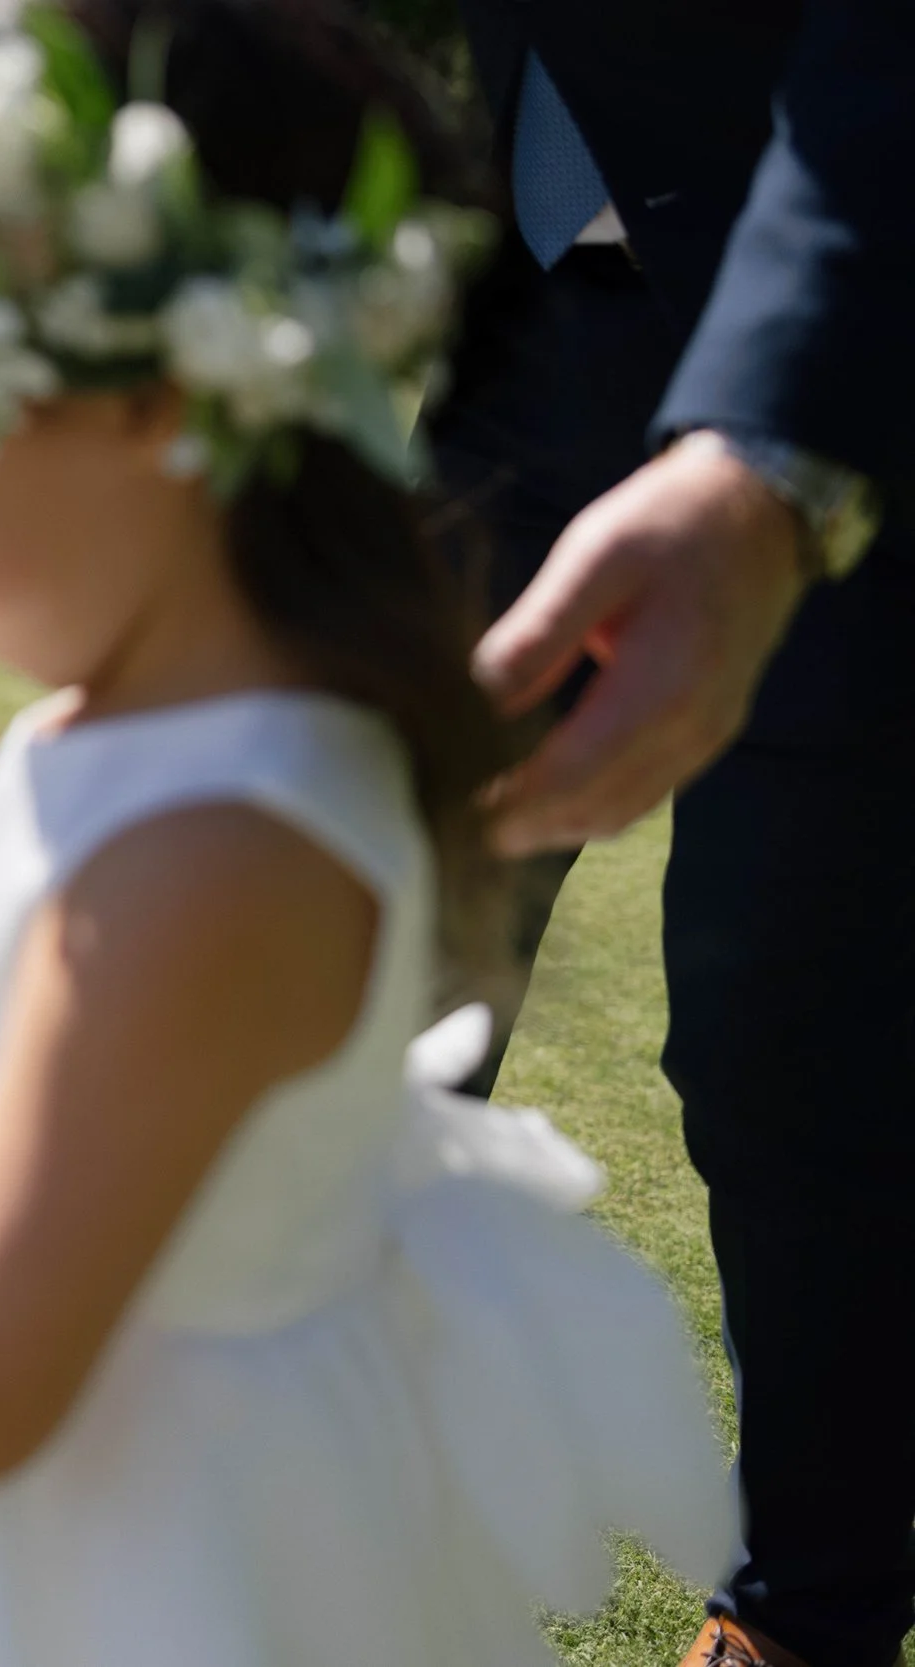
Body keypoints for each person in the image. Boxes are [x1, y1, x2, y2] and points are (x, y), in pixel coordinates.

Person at [0, 2, 732, 1662]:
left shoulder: (239, 840)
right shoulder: (124, 735)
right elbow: (64, 994)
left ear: (151, 404)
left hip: (156, 1542)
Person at [417, 5, 914, 1663]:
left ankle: (810, 1606)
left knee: (787, 1028)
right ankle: (323, 1502)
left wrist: (780, 436)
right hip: (511, 350)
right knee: (353, 962)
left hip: (835, 334)